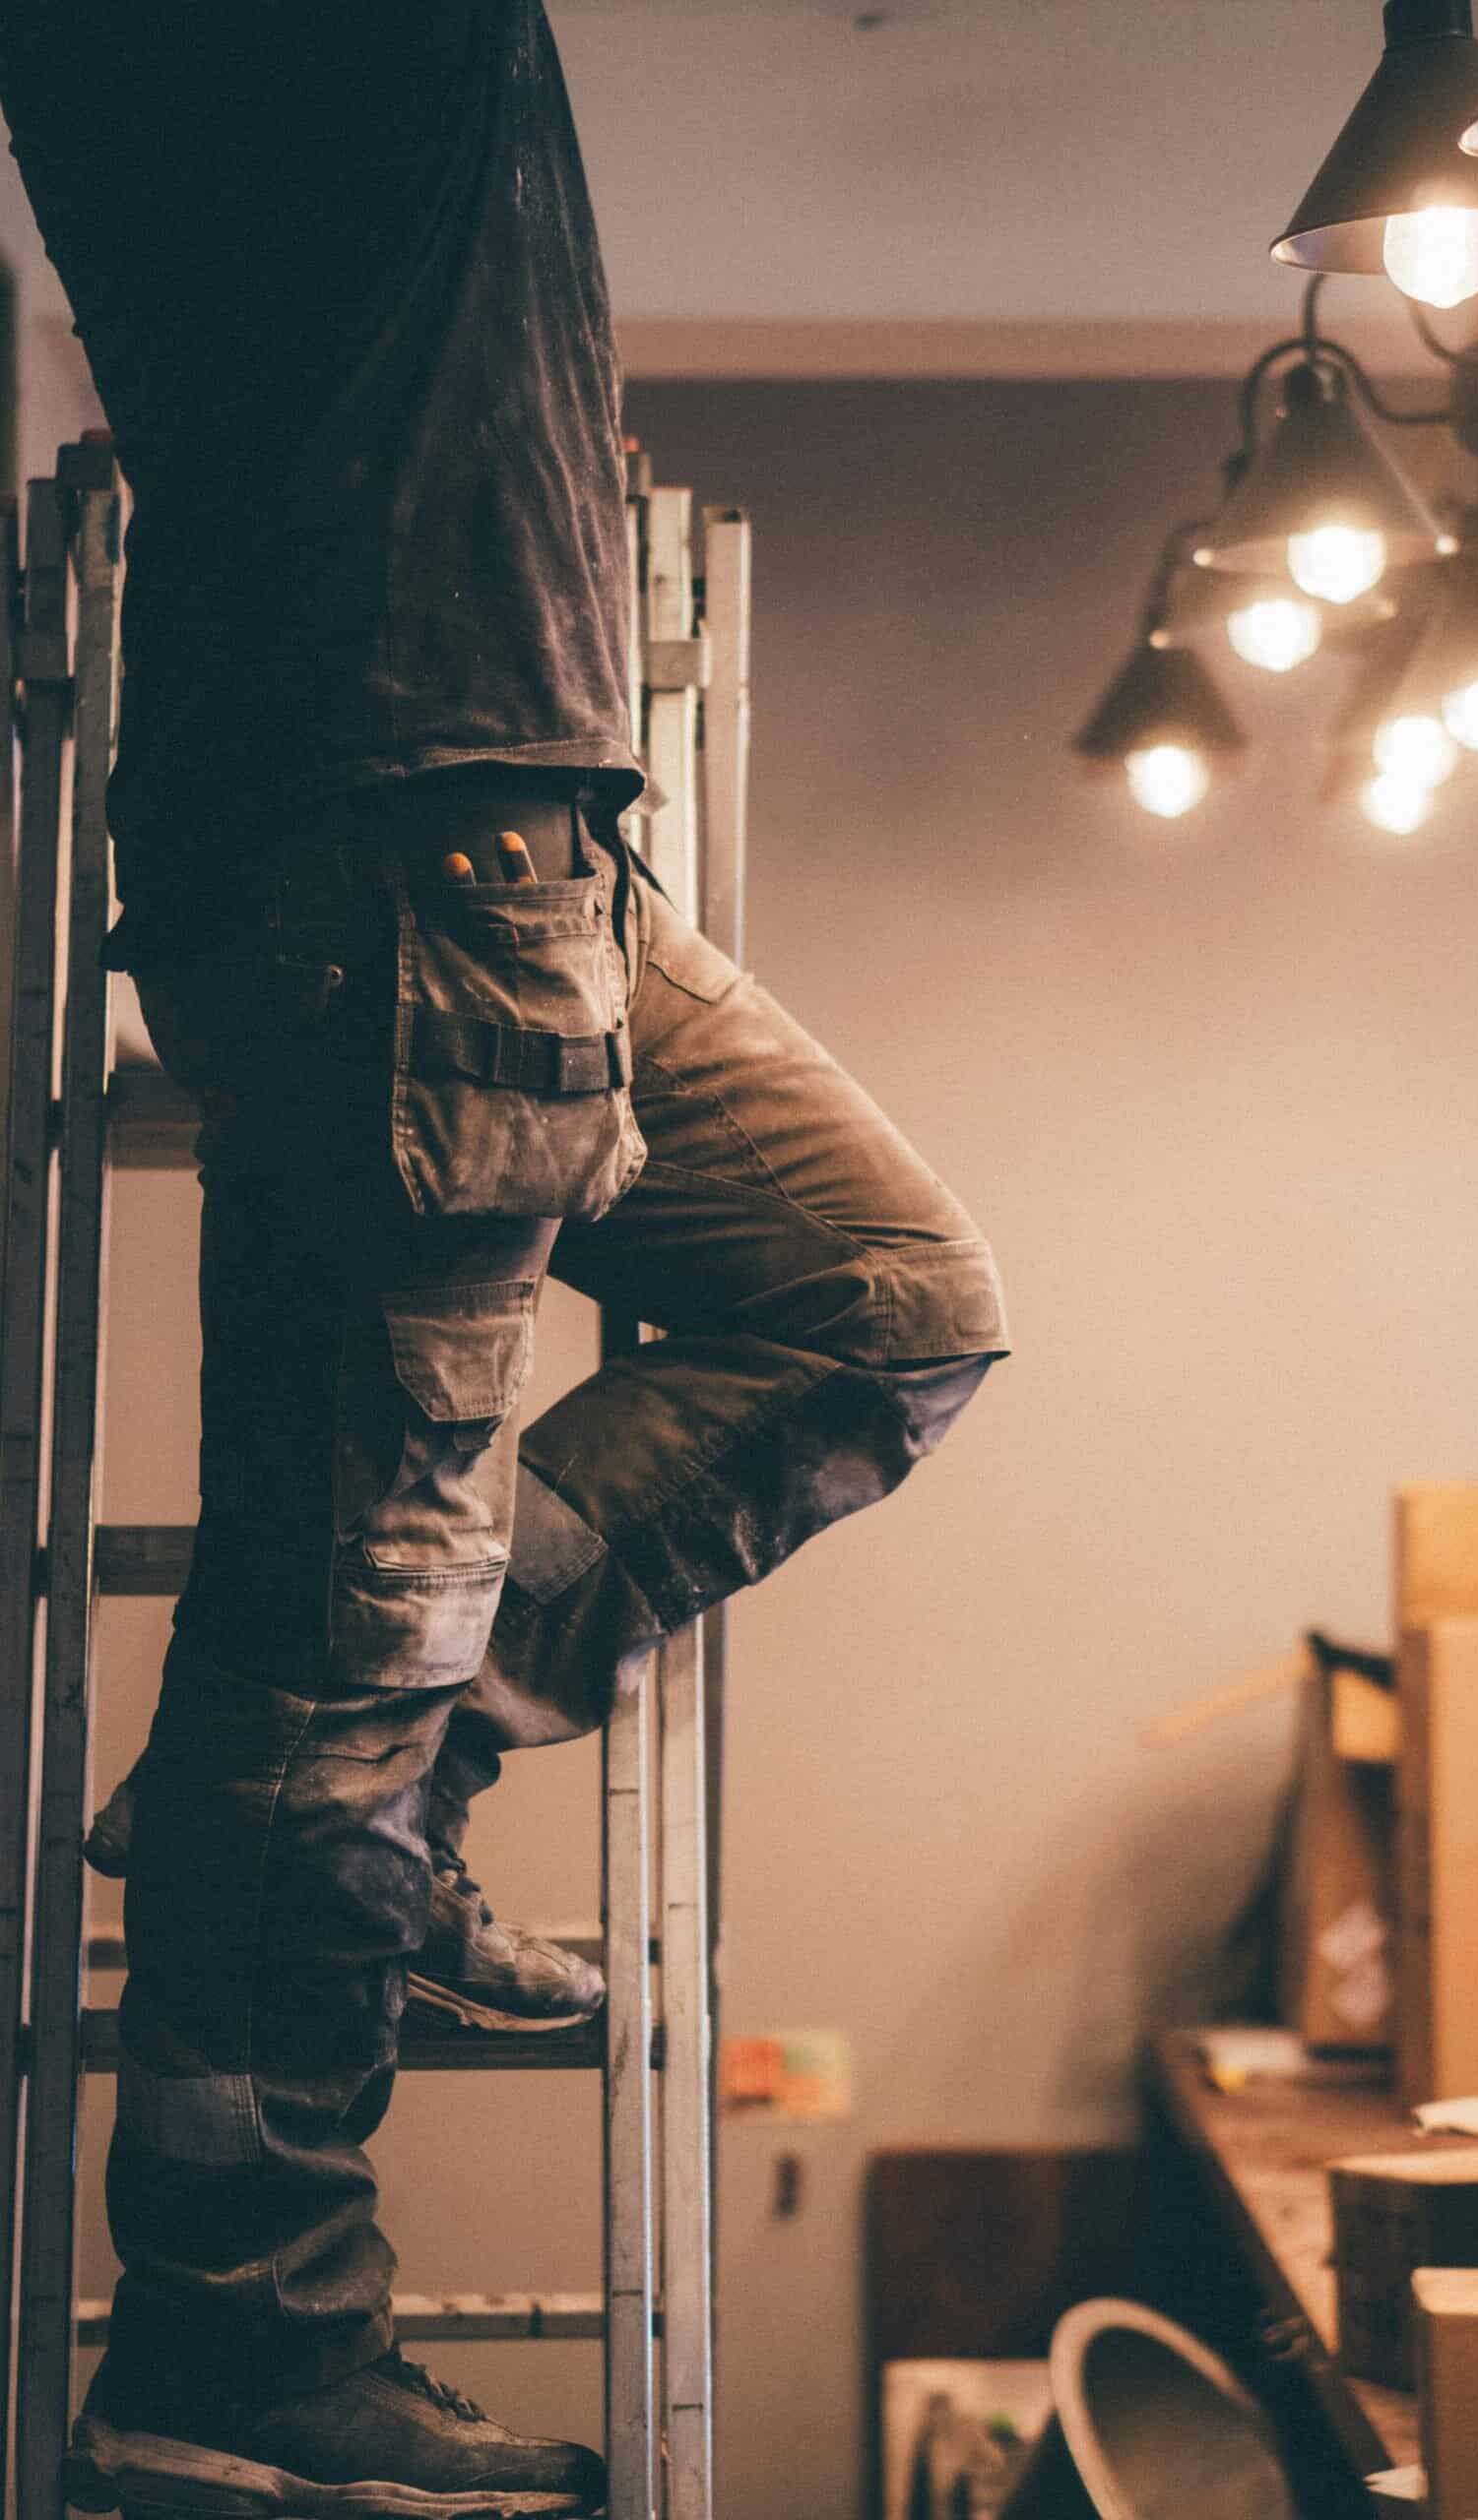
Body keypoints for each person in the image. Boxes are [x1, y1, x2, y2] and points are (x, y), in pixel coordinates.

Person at [0, 8, 1008, 2516]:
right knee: (329, 1627)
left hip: (516, 838)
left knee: (880, 1291)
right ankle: (238, 2337)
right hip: (401, 839)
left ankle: (411, 1763)